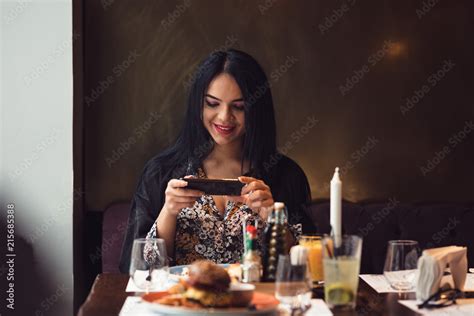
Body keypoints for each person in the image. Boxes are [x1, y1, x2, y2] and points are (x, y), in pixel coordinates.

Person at [119, 49, 316, 273]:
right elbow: (136, 270)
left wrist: (273, 216)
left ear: (256, 109)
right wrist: (169, 212)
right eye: (213, 103)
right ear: (198, 104)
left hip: (258, 304)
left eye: (239, 107)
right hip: (183, 303)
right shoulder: (160, 171)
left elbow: (309, 269)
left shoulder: (285, 175)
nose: (224, 117)